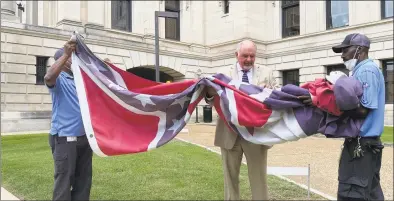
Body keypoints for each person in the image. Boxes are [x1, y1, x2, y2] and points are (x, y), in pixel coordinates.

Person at [299, 33, 385, 201]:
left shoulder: (367, 70)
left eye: (346, 50)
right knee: (371, 194)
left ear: (359, 49)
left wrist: (320, 101)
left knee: (352, 194)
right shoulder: (360, 70)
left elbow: (362, 111)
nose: (342, 55)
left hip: (362, 144)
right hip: (367, 145)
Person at [205, 40, 277, 200]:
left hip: (256, 134)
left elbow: (276, 98)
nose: (249, 60)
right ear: (236, 55)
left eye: (252, 56)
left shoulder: (267, 73)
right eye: (245, 56)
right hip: (229, 133)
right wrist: (209, 92)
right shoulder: (222, 74)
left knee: (259, 178)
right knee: (230, 180)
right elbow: (210, 100)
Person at [44, 39, 93, 201]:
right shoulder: (59, 79)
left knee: (83, 180)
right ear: (63, 61)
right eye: (73, 58)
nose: (75, 60)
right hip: (65, 139)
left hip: (85, 139)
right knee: (64, 180)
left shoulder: (79, 80)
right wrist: (66, 54)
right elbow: (48, 77)